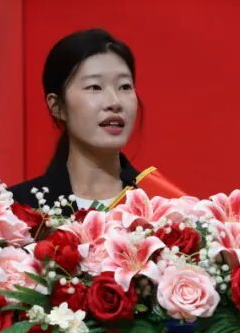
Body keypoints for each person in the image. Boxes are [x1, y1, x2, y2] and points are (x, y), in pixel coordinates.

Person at [8, 28, 143, 213]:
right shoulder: (15, 210)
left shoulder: (165, 209)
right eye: (95, 87)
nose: (115, 102)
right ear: (57, 106)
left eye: (125, 86)